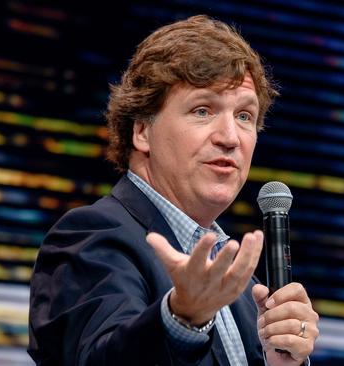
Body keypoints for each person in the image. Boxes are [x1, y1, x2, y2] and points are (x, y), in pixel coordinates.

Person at [28, 15, 319, 366]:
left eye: (244, 116)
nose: (230, 137)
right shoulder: (92, 237)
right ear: (142, 132)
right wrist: (182, 318)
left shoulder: (238, 285)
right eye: (202, 110)